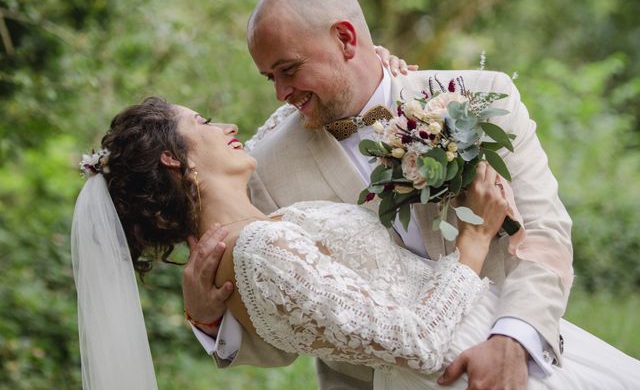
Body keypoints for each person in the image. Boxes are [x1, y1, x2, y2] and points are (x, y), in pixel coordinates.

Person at [72, 97, 640, 390]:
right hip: (468, 368)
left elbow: (304, 104)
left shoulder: (250, 236)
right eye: (202, 120)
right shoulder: (255, 252)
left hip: (503, 336)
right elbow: (415, 340)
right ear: (176, 157)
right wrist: (474, 238)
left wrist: (377, 68)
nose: (224, 125)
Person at [182, 0, 571, 389]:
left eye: (289, 70)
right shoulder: (264, 169)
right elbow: (289, 324)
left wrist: (513, 339)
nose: (280, 93)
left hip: (515, 367)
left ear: (346, 39)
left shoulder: (480, 100)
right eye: (270, 78)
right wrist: (209, 317)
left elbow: (545, 236)